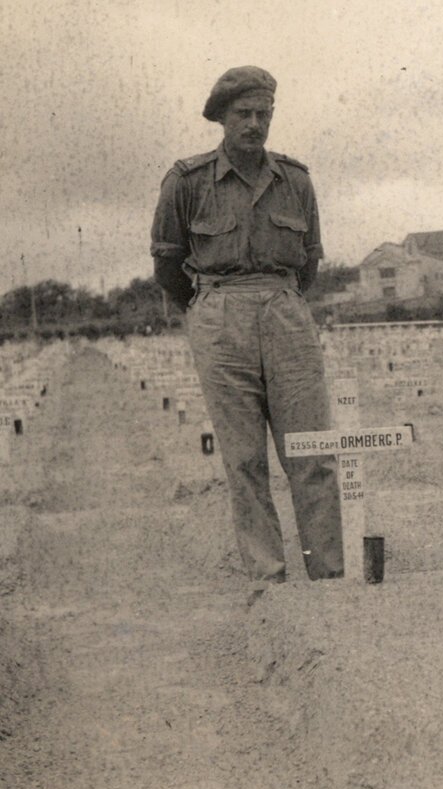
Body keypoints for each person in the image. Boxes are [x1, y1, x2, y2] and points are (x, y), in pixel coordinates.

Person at [151, 66, 343, 600]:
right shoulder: (186, 182)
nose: (255, 124)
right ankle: (268, 582)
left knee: (311, 450)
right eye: (244, 114)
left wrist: (277, 299)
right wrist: (208, 308)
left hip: (286, 313)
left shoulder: (296, 181)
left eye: (264, 114)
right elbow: (167, 265)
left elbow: (309, 263)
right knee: (244, 457)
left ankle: (329, 576)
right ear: (222, 117)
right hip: (219, 316)